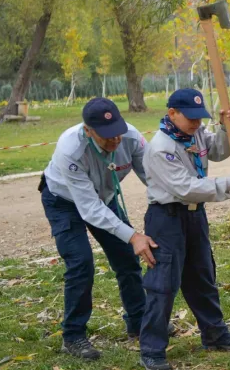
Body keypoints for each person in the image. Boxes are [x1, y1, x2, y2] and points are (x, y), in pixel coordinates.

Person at [139, 89, 230, 370]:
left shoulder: (195, 133)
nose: (197, 124)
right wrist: (228, 183)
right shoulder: (161, 147)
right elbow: (184, 188)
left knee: (202, 275)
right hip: (166, 218)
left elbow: (220, 149)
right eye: (191, 118)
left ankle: (214, 334)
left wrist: (229, 126)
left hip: (194, 216)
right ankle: (152, 348)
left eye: (200, 118)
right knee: (163, 284)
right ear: (172, 113)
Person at [40, 98, 153, 360]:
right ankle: (73, 336)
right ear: (87, 130)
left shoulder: (133, 138)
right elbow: (89, 208)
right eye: (106, 135)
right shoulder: (70, 149)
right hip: (63, 201)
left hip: (104, 197)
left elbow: (153, 178)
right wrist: (133, 235)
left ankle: (139, 321)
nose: (115, 139)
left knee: (126, 258)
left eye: (117, 131)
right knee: (81, 263)